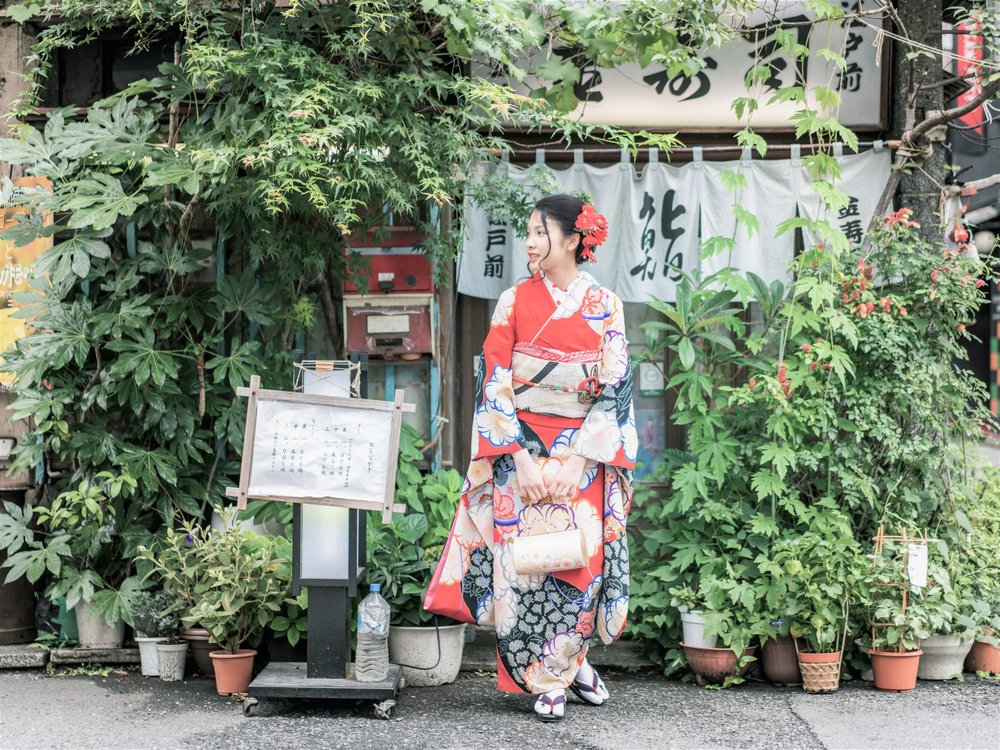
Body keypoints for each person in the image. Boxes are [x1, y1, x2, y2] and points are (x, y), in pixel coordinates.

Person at [423, 194, 636, 721]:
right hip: (518, 450)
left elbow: (613, 390)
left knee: (575, 563)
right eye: (529, 233)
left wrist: (577, 462)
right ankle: (550, 678)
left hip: (580, 456)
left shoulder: (606, 305)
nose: (531, 242)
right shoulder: (513, 301)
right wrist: (516, 456)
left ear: (571, 239)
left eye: (540, 232)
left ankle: (568, 664)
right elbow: (494, 380)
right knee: (523, 570)